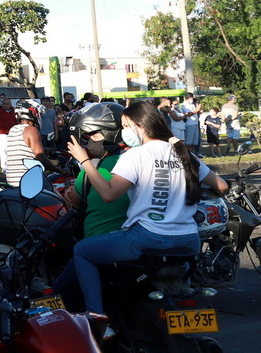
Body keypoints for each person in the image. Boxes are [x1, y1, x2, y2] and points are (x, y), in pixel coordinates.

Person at [64, 100, 229, 328]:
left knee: (82, 251)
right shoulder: (185, 154)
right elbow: (222, 187)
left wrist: (84, 161)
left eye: (125, 126)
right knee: (184, 290)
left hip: (146, 238)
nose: (124, 132)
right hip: (189, 240)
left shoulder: (135, 155)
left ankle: (97, 317)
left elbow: (109, 194)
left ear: (139, 126)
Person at [54, 102, 130, 311]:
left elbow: (76, 201)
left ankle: (95, 320)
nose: (88, 142)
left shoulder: (92, 168)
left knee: (59, 295)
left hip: (103, 245)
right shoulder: (138, 160)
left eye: (92, 136)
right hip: (144, 244)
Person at [4, 100, 65, 187]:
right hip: (27, 180)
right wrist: (60, 171)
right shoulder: (31, 130)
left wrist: (48, 150)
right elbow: (41, 158)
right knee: (56, 192)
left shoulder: (13, 129)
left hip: (11, 180)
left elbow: (24, 149)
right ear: (33, 113)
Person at [0, 94, 16, 174]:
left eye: (8, 104)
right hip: (2, 134)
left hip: (12, 133)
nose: (6, 105)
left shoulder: (14, 111)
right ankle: (4, 168)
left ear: (10, 104)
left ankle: (12, 166)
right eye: (5, 104)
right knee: (3, 150)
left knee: (12, 150)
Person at [180, 92, 202, 156]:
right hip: (189, 124)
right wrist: (196, 110)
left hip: (195, 123)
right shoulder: (184, 105)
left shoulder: (192, 104)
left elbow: (194, 113)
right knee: (189, 141)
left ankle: (194, 153)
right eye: (192, 98)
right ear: (190, 98)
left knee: (195, 141)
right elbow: (189, 114)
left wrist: (198, 112)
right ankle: (189, 153)